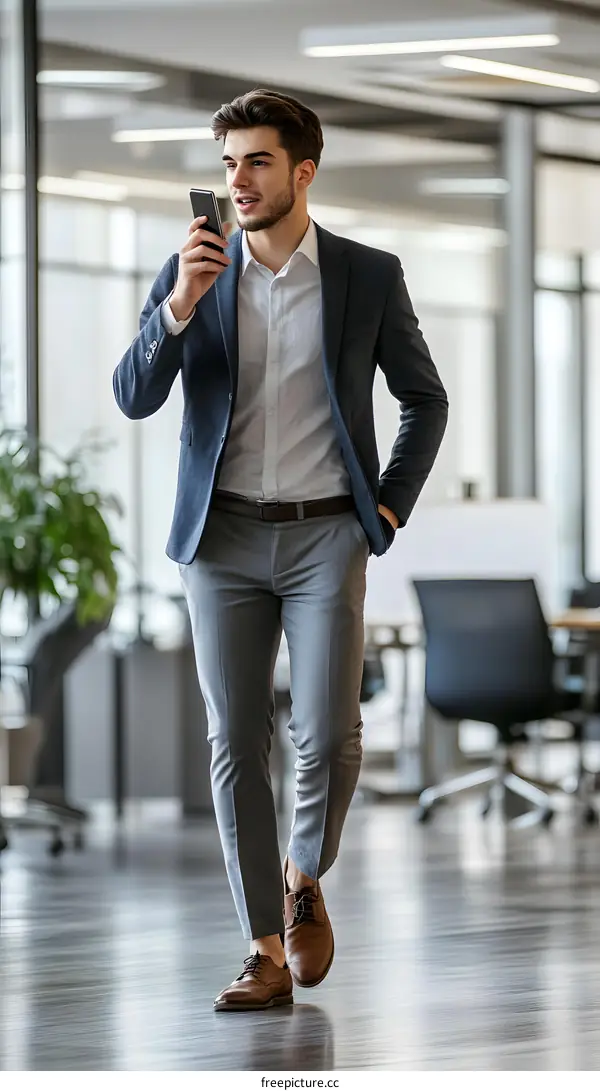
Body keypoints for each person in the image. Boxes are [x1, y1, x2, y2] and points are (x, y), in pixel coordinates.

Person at [113, 88, 448, 1013]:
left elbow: (427, 398)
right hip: (218, 537)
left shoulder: (367, 277)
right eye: (228, 165)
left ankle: (305, 873)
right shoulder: (193, 270)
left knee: (330, 735)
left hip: (326, 531)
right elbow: (133, 395)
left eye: (257, 162)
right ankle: (263, 947)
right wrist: (179, 304)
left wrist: (384, 510)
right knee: (235, 740)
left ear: (303, 171)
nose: (238, 181)